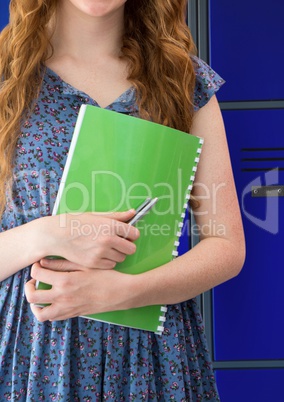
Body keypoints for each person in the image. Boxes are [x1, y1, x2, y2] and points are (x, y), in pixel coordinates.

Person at [0, 0, 245, 400]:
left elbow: (227, 247)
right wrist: (48, 234)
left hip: (151, 357)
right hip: (32, 352)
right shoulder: (5, 79)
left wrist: (120, 292)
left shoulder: (182, 80)